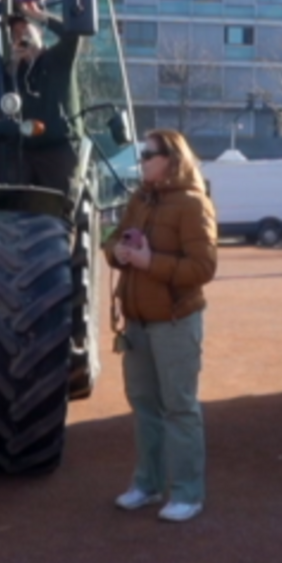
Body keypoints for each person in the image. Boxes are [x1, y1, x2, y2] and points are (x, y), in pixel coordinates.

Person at [104, 129, 218, 523]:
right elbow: (113, 240)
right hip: (137, 322)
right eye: (142, 155)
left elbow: (204, 268)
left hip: (174, 322)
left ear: (171, 158)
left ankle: (188, 493)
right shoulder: (140, 199)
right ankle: (148, 485)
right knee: (145, 408)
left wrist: (151, 264)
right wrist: (117, 252)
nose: (142, 161)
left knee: (180, 409)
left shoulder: (193, 204)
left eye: (149, 155)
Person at [7, 0, 87, 199]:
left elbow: (72, 34)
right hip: (24, 152)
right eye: (16, 35)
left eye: (26, 31)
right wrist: (13, 68)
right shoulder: (13, 70)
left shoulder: (58, 58)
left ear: (39, 33)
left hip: (58, 148)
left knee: (59, 210)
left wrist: (40, 15)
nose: (21, 37)